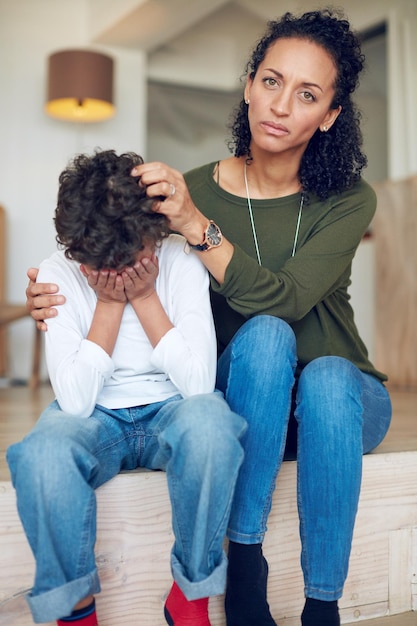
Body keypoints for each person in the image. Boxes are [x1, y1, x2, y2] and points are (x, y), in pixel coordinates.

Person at [25, 9, 392, 626]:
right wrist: (57, 287)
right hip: (249, 394)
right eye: (271, 81)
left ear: (329, 114)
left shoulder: (348, 198)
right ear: (249, 85)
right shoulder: (192, 186)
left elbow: (288, 299)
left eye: (306, 95)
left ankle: (320, 606)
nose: (279, 106)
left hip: (337, 404)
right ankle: (244, 567)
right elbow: (111, 242)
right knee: (264, 344)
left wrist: (196, 226)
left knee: (323, 371)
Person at [8, 149, 246, 626]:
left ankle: (191, 594)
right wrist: (110, 304)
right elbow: (75, 401)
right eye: (102, 265)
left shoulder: (179, 259)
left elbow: (198, 383)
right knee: (40, 455)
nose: (118, 271)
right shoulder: (58, 273)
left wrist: (143, 296)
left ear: (154, 231)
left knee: (214, 428)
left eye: (134, 256)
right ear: (77, 250)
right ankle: (75, 611)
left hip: (172, 406)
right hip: (97, 415)